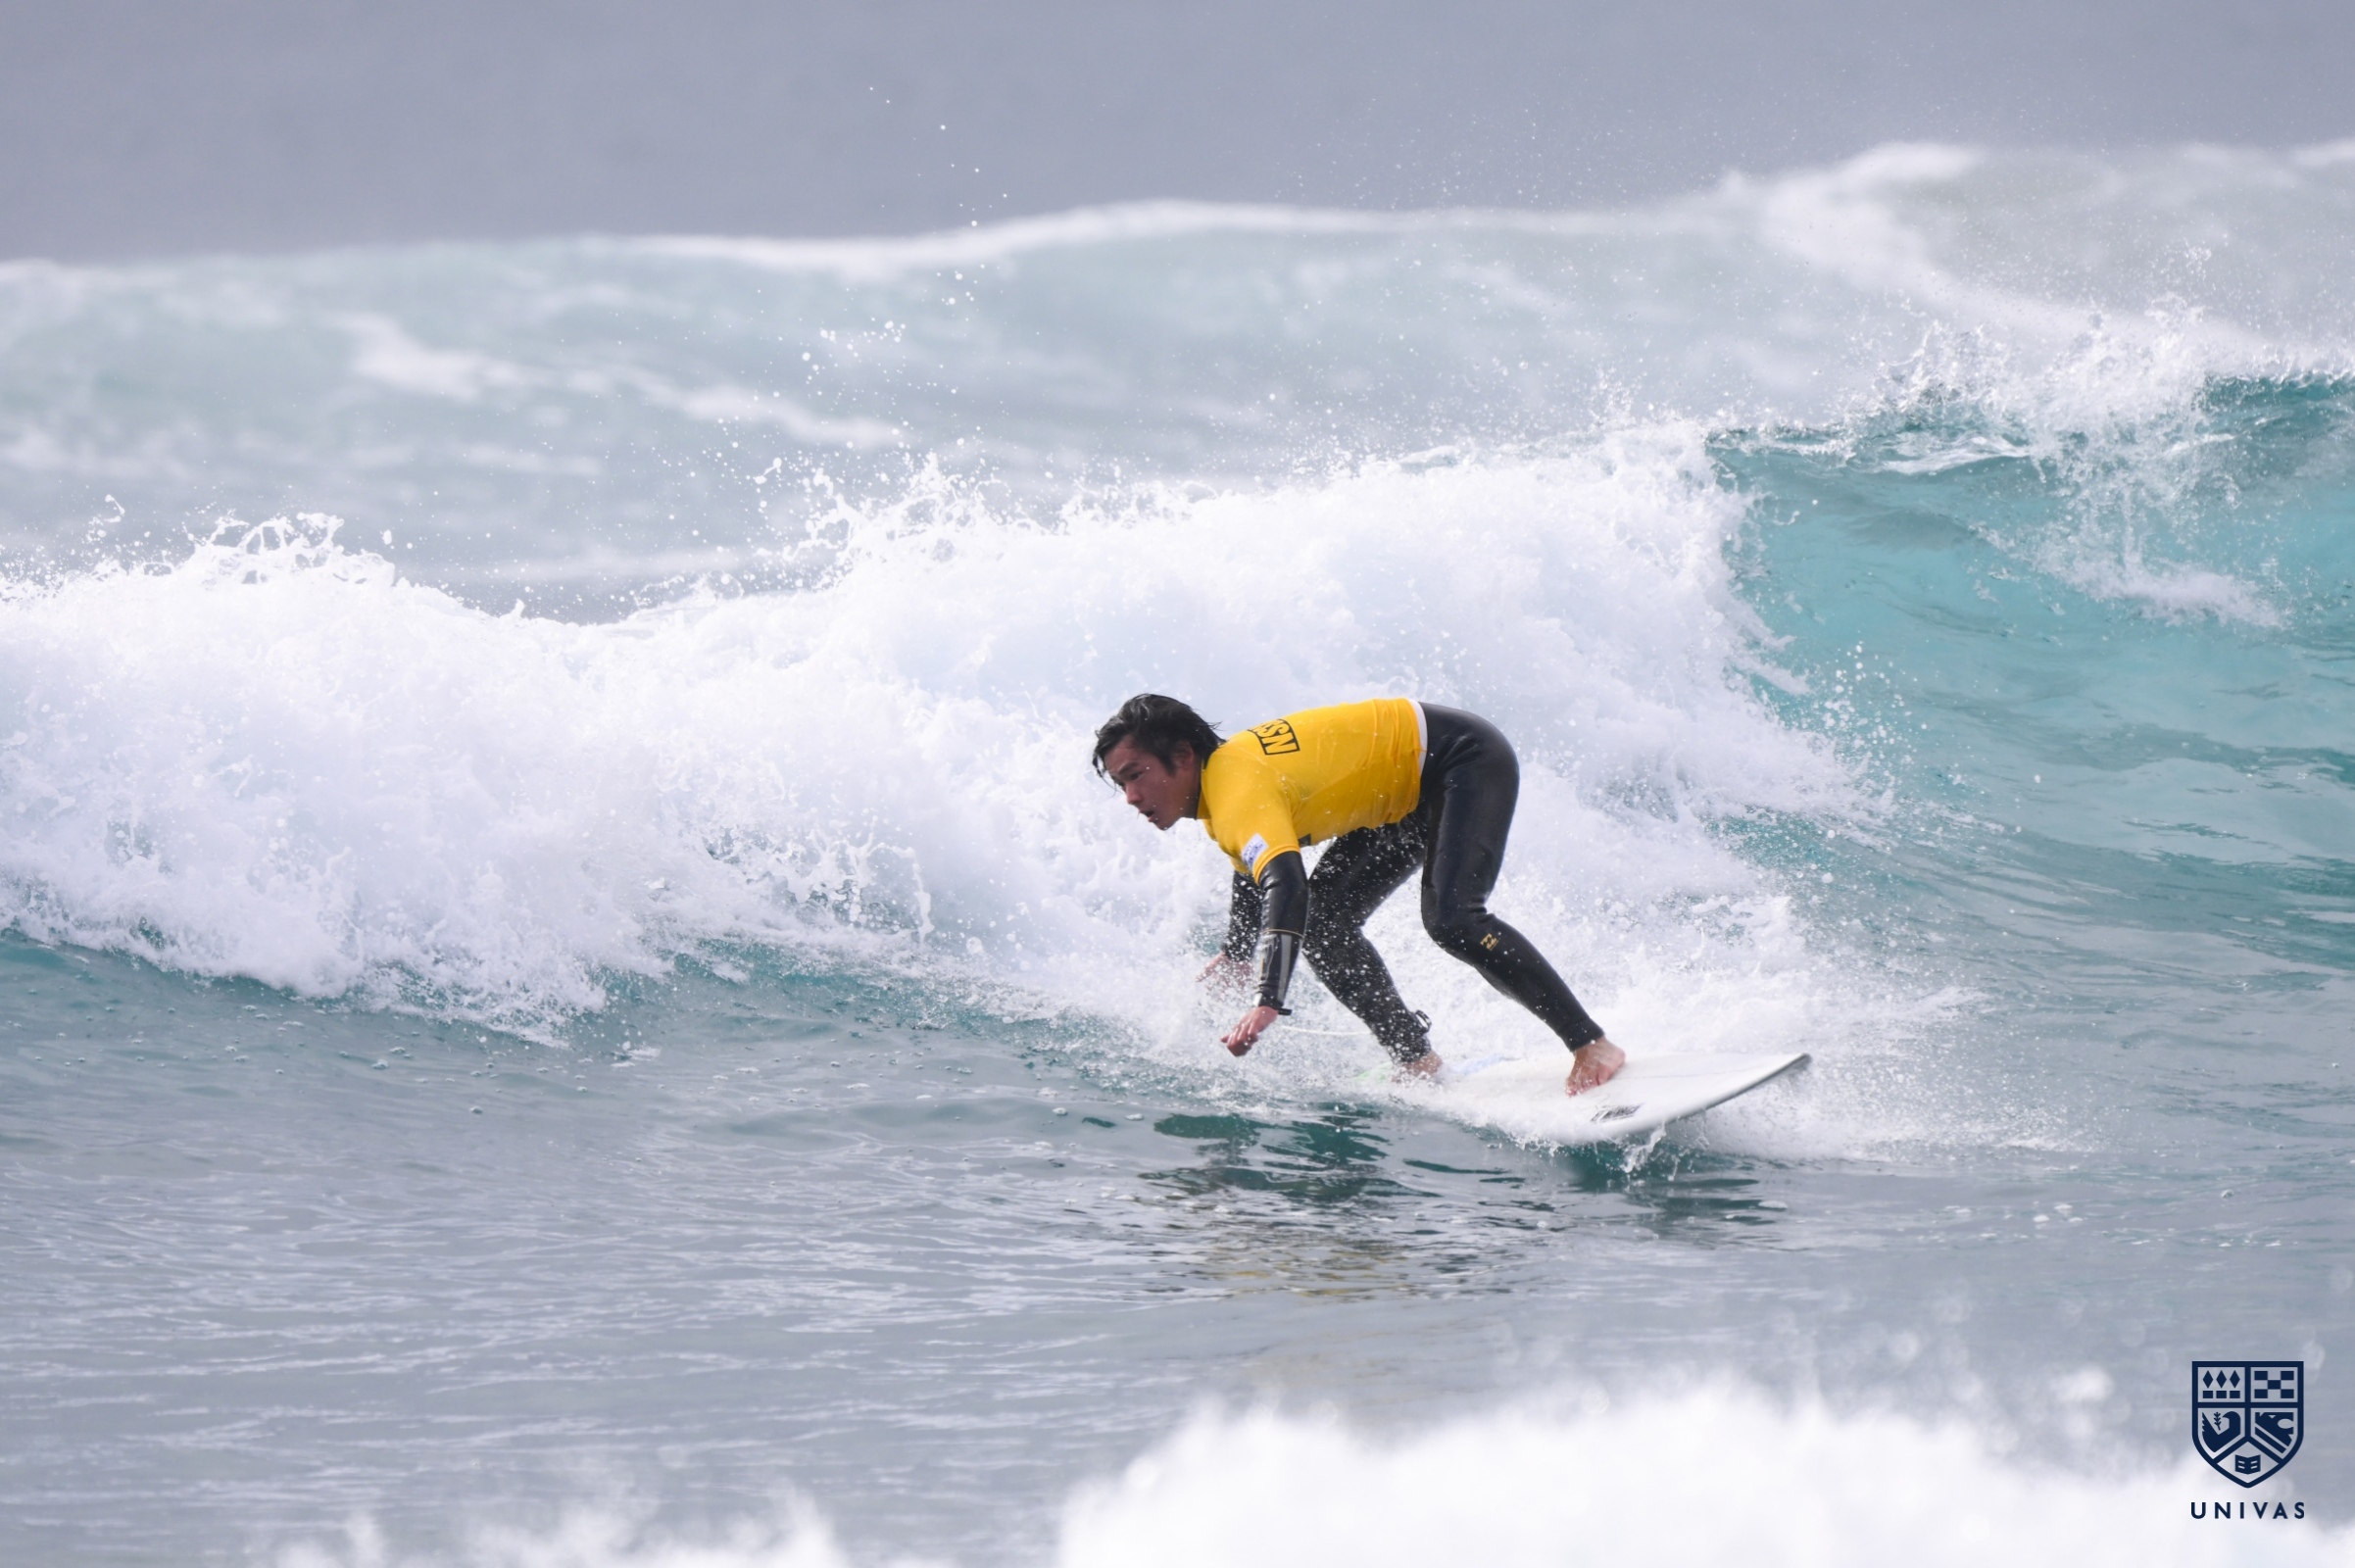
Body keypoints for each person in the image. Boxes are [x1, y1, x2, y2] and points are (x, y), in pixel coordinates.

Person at [1092, 693, 1625, 1097]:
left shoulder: (1235, 792)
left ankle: (1591, 1044)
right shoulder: (1223, 793)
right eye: (1122, 784)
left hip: (1459, 757)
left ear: (1183, 756)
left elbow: (1285, 885)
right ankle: (1418, 1062)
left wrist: (1267, 999)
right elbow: (1251, 872)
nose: (1132, 797)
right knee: (1325, 924)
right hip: (1402, 791)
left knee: (1454, 919)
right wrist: (1236, 953)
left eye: (1137, 775)